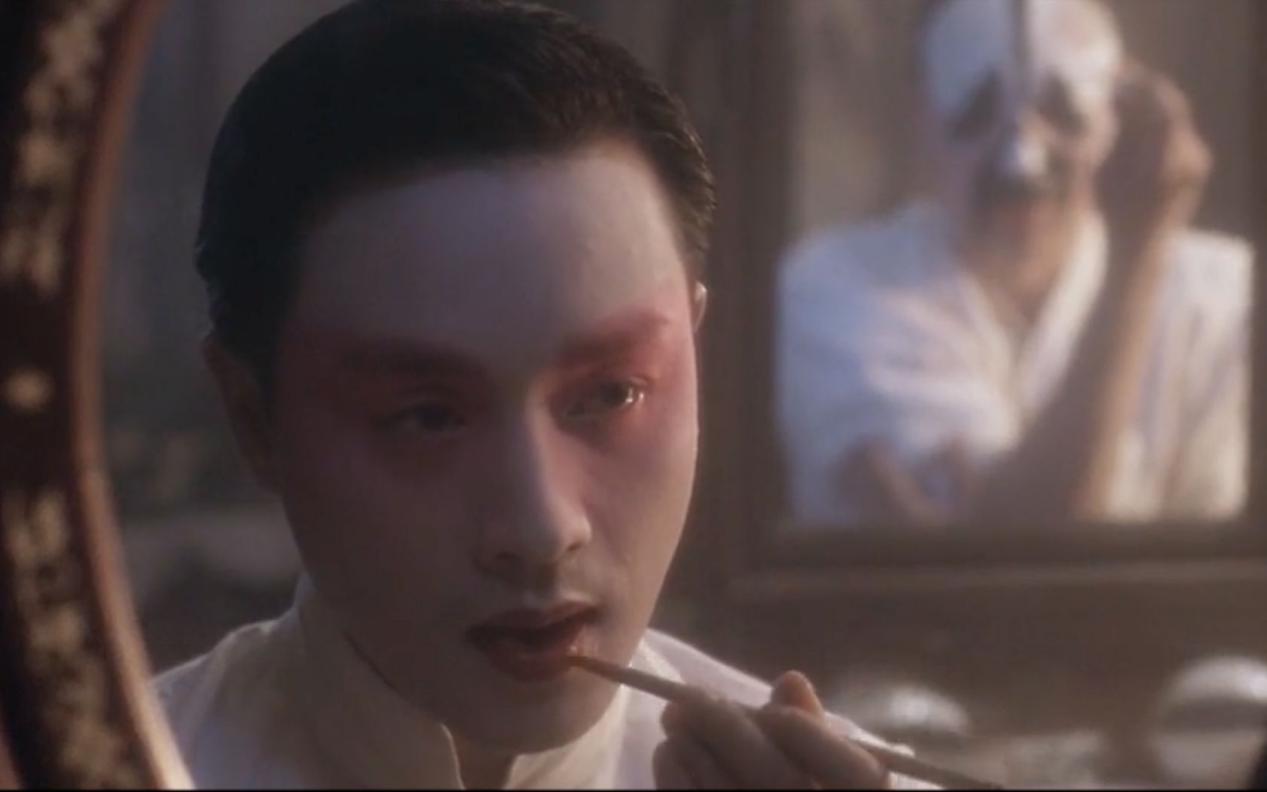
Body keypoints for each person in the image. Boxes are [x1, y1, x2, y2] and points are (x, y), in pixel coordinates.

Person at [157, 0, 919, 787]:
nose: (540, 530)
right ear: (254, 418)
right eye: (428, 417)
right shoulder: (115, 755)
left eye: (612, 394)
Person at [777, 0, 1252, 528]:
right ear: (921, 118)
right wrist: (1136, 267)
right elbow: (1023, 546)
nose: (1021, 163)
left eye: (1064, 110)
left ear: (1121, 111)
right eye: (977, 112)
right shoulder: (833, 290)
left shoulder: (1220, 298)